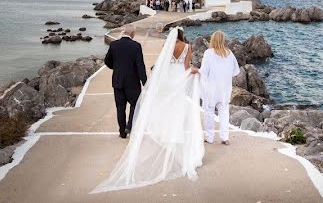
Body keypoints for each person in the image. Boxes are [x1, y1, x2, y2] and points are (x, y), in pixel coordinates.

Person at [92, 27, 204, 193]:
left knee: (121, 107)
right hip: (176, 81)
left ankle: (124, 130)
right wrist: (196, 71)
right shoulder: (187, 46)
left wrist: (151, 84)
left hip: (148, 81)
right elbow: (185, 67)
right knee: (175, 108)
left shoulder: (164, 46)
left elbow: (160, 66)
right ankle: (172, 135)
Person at [103, 27, 148, 138]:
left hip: (118, 81)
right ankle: (129, 125)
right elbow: (140, 65)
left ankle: (122, 132)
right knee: (135, 105)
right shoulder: (136, 46)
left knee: (120, 108)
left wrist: (116, 67)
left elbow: (107, 61)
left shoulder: (114, 45)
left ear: (123, 33)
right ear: (132, 34)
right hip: (133, 83)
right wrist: (145, 81)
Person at [198, 30, 240, 145]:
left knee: (209, 112)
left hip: (211, 88)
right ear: (223, 40)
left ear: (212, 40)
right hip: (224, 89)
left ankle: (209, 137)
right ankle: (225, 137)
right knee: (224, 112)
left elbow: (204, 71)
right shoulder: (229, 53)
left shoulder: (209, 53)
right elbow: (236, 71)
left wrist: (196, 71)